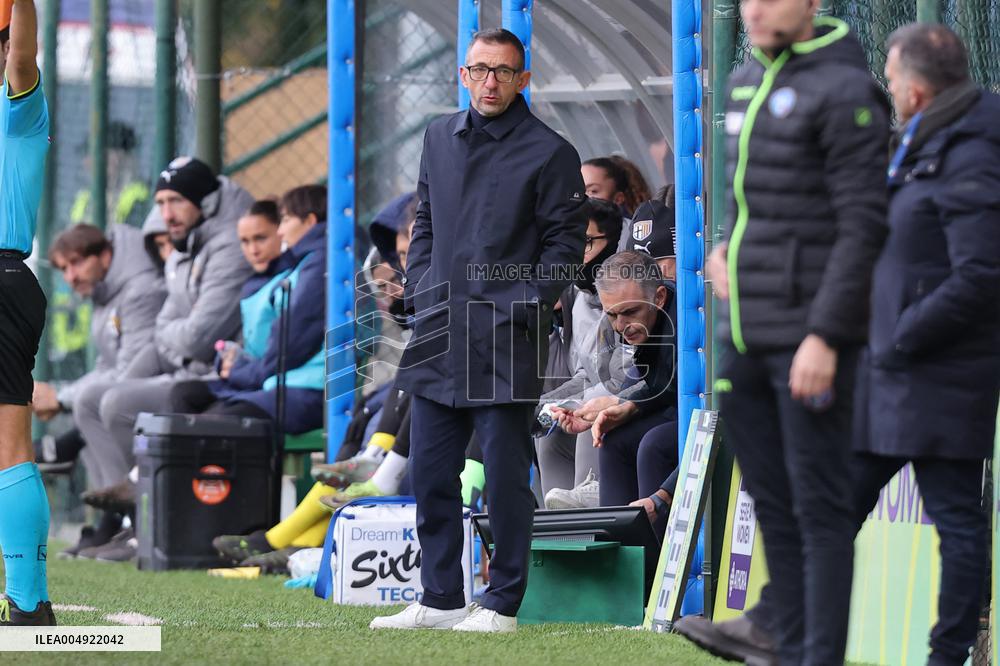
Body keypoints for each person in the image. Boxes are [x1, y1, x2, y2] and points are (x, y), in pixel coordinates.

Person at [676, 2, 890, 664]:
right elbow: (754, 208)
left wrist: (826, 336)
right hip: (746, 332)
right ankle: (779, 640)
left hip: (811, 338)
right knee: (771, 500)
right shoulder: (743, 81)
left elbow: (863, 224)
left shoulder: (848, 90)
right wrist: (726, 256)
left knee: (819, 509)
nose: (758, 9)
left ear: (813, 5)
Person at [369, 27, 586, 633]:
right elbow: (427, 218)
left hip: (506, 337)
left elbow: (565, 249)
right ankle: (440, 597)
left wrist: (521, 301)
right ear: (462, 75)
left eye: (503, 71)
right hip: (440, 331)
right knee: (430, 473)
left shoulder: (551, 152)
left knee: (505, 477)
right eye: (479, 69)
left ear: (524, 79)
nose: (490, 81)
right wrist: (419, 286)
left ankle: (503, 602)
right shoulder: (438, 135)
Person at [852, 24, 1000, 665]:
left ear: (914, 85)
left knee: (956, 521)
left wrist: (903, 333)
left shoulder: (975, 144)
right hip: (890, 369)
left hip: (940, 370)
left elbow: (981, 272)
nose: (889, 88)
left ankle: (951, 654)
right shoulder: (927, 136)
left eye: (890, 76)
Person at [71, 157, 254, 557]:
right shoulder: (188, 244)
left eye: (174, 201)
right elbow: (171, 327)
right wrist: (175, 334)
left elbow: (198, 337)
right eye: (160, 202)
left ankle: (145, 525)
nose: (164, 214)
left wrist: (174, 334)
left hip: (217, 377)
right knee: (90, 398)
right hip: (184, 368)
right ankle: (120, 522)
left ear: (204, 203)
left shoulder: (228, 246)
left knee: (117, 403)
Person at [32, 223, 166, 556]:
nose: (70, 276)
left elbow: (132, 371)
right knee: (89, 404)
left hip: (171, 383)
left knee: (96, 403)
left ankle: (128, 520)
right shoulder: (105, 292)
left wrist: (61, 398)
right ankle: (112, 521)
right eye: (64, 268)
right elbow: (107, 370)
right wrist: (61, 395)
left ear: (104, 255)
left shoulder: (140, 288)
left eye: (76, 263)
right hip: (136, 389)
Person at [169, 186, 327, 434]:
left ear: (310, 222)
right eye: (245, 241)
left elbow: (288, 348)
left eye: (285, 221)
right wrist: (233, 358)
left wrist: (239, 371)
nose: (282, 231)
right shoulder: (308, 263)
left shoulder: (319, 265)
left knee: (213, 424)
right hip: (275, 382)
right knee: (185, 397)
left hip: (306, 388)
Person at [551, 251, 678, 538]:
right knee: (614, 438)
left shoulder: (687, 317)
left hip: (713, 419)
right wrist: (622, 405)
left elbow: (685, 392)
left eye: (630, 312)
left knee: (654, 444)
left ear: (658, 297)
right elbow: (660, 385)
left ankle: (655, 572)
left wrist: (661, 498)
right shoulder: (639, 323)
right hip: (677, 411)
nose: (621, 326)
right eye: (612, 315)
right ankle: (620, 562)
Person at [0, 0, 56, 626]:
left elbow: (22, 54)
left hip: (2, 278)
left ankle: (27, 601)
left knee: (8, 447)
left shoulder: (18, 111)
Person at [534, 198, 625, 506]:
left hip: (626, 405)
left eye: (586, 242)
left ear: (613, 242)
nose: (576, 255)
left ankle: (591, 498)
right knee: (549, 433)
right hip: (590, 397)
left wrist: (575, 402)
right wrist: (546, 404)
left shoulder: (629, 297)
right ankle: (556, 521)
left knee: (590, 413)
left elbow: (623, 376)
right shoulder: (577, 297)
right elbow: (582, 373)